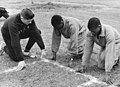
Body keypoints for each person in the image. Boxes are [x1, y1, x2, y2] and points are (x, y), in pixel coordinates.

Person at [76, 17, 120, 84]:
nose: (92, 33)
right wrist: (83, 65)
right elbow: (88, 48)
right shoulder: (90, 33)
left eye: (93, 31)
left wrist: (107, 73)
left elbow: (109, 52)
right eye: (90, 31)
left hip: (115, 43)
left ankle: (117, 58)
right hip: (105, 44)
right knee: (101, 66)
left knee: (105, 59)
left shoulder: (109, 34)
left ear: (99, 26)